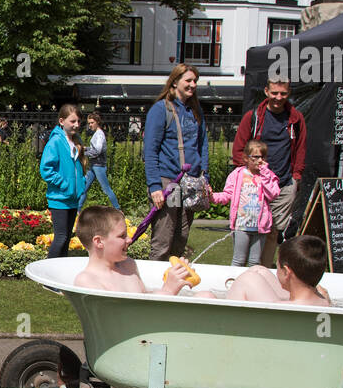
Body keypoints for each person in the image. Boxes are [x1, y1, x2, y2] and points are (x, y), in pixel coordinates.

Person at [232, 79, 306, 267]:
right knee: (248, 229)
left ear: (288, 93)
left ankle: (261, 271)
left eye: (283, 94)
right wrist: (247, 175)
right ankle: (240, 270)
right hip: (255, 186)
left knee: (272, 231)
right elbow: (239, 149)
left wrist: (296, 177)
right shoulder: (253, 117)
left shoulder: (295, 118)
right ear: (266, 91)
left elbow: (301, 148)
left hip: (283, 183)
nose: (278, 98)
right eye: (274, 93)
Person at [143, 64, 210, 260]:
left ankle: (173, 283)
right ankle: (155, 284)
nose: (193, 85)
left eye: (195, 81)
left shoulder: (195, 110)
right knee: (164, 237)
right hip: (169, 182)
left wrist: (205, 176)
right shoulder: (160, 109)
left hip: (191, 182)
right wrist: (155, 186)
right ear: (174, 82)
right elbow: (150, 150)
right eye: (188, 80)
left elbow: (202, 145)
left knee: (181, 237)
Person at [72, 206, 194, 295]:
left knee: (205, 295)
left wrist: (175, 280)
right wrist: (168, 290)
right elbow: (128, 316)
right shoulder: (87, 280)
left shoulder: (128, 265)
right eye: (122, 236)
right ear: (99, 242)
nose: (129, 239)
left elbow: (144, 297)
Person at [210, 139, 280, 267]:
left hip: (260, 227)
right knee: (238, 260)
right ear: (246, 158)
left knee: (254, 262)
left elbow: (273, 194)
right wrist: (212, 197)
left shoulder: (268, 175)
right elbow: (227, 195)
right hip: (241, 225)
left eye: (263, 157)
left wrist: (265, 174)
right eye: (256, 157)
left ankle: (251, 286)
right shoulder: (237, 175)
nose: (260, 160)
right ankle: (235, 285)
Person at [224, 235, 330, 306]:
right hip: (304, 299)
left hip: (275, 321)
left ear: (286, 272)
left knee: (247, 279)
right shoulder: (324, 301)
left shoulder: (282, 308)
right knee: (259, 270)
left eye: (278, 266)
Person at [40, 104, 89, 258]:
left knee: (67, 238)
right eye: (72, 121)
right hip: (59, 198)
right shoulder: (55, 142)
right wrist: (64, 184)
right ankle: (48, 271)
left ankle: (59, 272)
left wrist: (80, 183)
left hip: (73, 197)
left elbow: (78, 167)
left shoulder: (76, 141)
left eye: (79, 121)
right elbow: (46, 169)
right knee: (60, 237)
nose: (76, 125)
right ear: (61, 121)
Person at [79, 111, 120, 210]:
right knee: (84, 188)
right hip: (93, 166)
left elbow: (97, 151)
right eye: (89, 123)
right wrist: (86, 148)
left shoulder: (99, 134)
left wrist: (83, 153)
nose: (90, 125)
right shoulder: (96, 134)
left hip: (99, 166)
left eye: (92, 123)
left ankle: (118, 210)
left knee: (106, 189)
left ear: (97, 122)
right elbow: (95, 149)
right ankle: (77, 210)